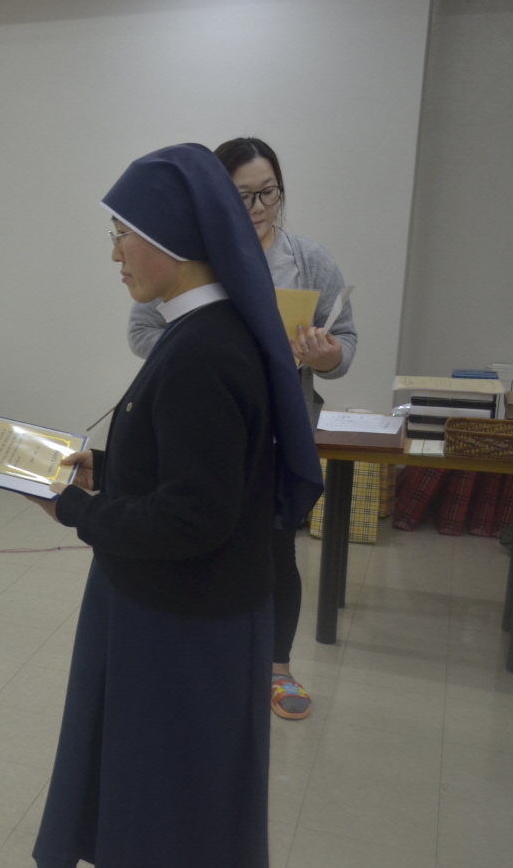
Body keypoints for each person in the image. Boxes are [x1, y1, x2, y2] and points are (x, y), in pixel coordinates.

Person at [31, 144, 323, 868]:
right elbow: (205, 472)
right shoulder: (210, 332)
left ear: (172, 237)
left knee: (165, 815)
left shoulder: (201, 352)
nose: (115, 255)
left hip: (179, 626)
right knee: (180, 810)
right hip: (191, 612)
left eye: (121, 235)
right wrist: (105, 469)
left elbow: (191, 517)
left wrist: (75, 507)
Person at [127, 137, 356, 721]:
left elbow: (345, 344)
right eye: (241, 196)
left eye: (267, 194)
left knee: (276, 549)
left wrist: (326, 354)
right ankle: (208, 660)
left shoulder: (310, 260)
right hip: (207, 423)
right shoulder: (192, 257)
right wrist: (215, 355)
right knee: (202, 538)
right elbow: (142, 332)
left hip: (280, 431)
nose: (257, 208)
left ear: (281, 192)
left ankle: (277, 669)